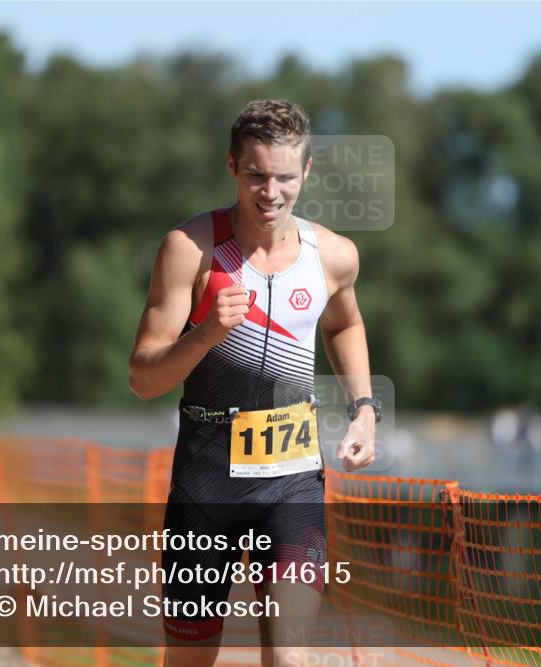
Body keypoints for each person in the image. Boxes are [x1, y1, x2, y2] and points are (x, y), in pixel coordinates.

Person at [129, 99, 380, 667]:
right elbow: (142, 378)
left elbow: (345, 323)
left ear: (307, 170)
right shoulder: (190, 250)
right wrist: (205, 334)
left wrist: (364, 410)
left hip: (292, 483)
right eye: (256, 176)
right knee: (190, 660)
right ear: (231, 166)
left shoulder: (334, 256)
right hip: (206, 482)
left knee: (290, 658)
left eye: (286, 178)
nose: (271, 193)